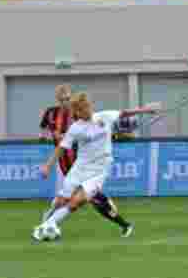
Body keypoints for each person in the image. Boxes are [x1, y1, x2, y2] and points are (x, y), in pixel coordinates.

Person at [33, 93, 160, 242]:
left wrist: (146, 109)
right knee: (61, 201)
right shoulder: (75, 128)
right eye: (82, 109)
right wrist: (48, 166)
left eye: (87, 107)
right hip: (80, 168)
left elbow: (124, 113)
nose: (86, 110)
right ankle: (47, 223)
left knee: (78, 201)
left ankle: (49, 225)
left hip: (100, 170)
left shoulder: (104, 116)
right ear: (77, 112)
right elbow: (61, 148)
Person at [39, 84, 134, 236]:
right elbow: (45, 134)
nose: (65, 102)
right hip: (70, 164)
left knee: (89, 198)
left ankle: (124, 224)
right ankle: (47, 223)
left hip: (86, 162)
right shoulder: (51, 114)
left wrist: (117, 134)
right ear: (57, 100)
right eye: (62, 100)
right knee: (67, 199)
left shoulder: (85, 114)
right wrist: (50, 137)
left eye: (67, 98)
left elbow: (97, 131)